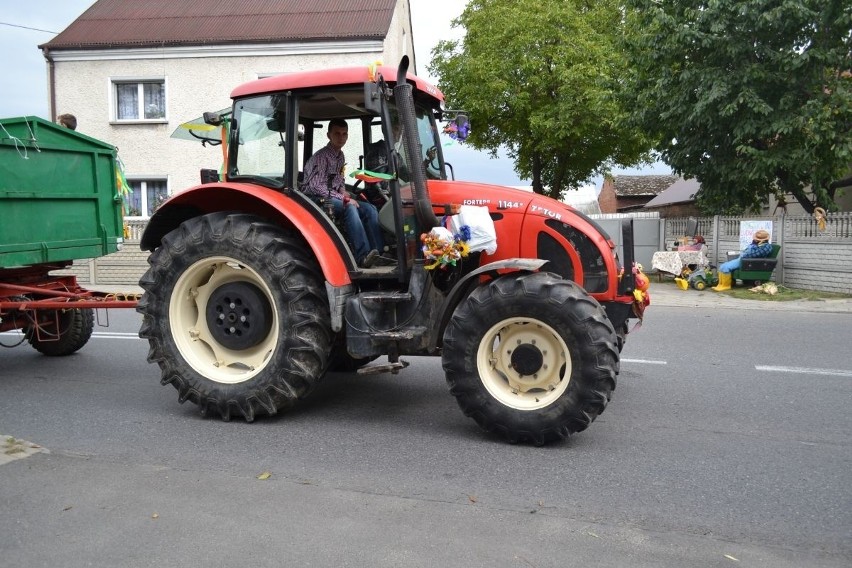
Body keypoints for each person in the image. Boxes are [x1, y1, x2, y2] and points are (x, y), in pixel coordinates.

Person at [302, 118, 388, 268]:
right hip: (314, 199)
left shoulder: (340, 156)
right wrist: (343, 198)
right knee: (350, 207)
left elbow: (339, 180)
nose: (341, 137)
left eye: (344, 134)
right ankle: (362, 256)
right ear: (328, 135)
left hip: (331, 195)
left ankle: (378, 253)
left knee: (370, 209)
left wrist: (343, 190)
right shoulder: (322, 157)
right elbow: (317, 187)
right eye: (337, 134)